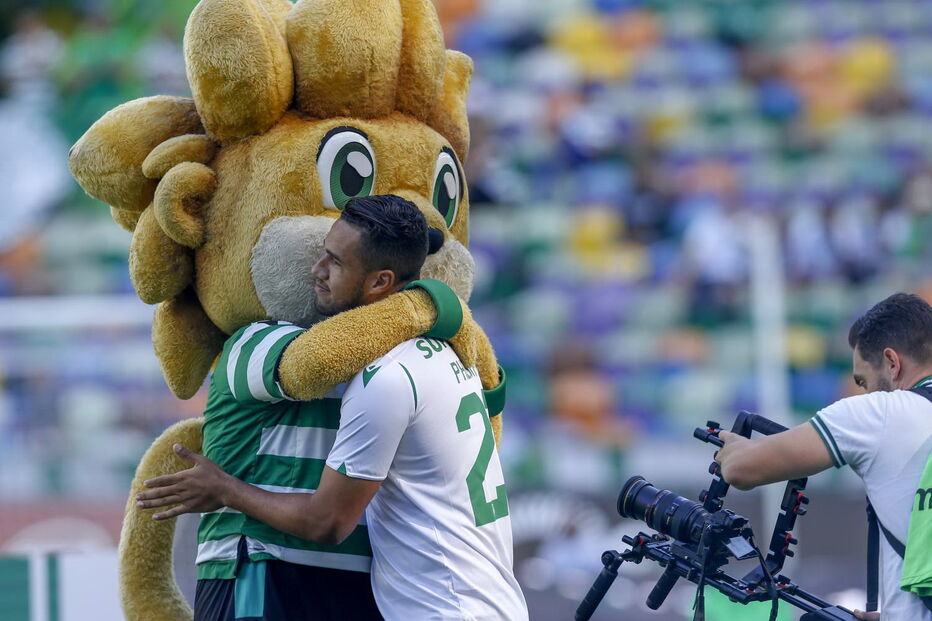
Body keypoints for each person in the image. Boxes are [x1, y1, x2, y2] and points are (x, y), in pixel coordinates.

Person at [137, 194, 529, 621]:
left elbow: (328, 517)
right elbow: (312, 362)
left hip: (374, 582)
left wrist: (223, 488)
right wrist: (434, 305)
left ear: (381, 282)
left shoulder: (387, 373)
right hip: (262, 563)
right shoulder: (253, 343)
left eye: (335, 262)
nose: (316, 269)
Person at [712, 293, 932, 621]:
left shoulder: (882, 412)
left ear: (892, 362)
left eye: (863, 381)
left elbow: (741, 469)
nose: (864, 393)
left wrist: (730, 446)